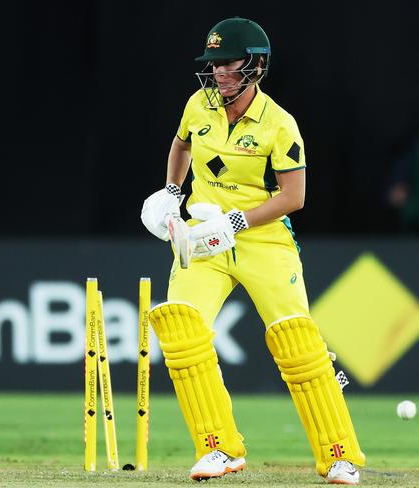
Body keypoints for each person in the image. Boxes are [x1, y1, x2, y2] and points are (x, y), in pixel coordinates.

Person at [141, 17, 365, 485]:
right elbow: (180, 146)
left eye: (228, 64)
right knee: (180, 326)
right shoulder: (198, 105)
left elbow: (294, 197)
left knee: (297, 341)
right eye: (213, 64)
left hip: (264, 241)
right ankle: (218, 449)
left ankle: (338, 455)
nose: (218, 73)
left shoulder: (280, 124)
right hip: (203, 241)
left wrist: (236, 220)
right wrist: (170, 191)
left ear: (256, 66)